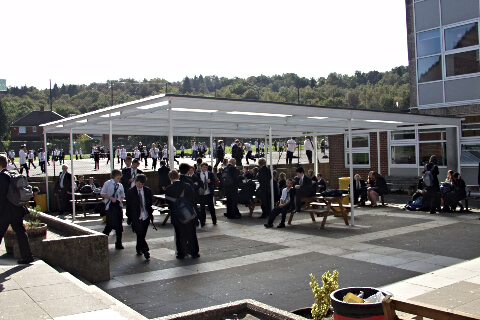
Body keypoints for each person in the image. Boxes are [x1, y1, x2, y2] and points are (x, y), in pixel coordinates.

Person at [0, 155, 34, 264]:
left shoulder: (2, 176)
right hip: (17, 208)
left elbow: (1, 196)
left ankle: (27, 256)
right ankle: (27, 256)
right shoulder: (12, 173)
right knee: (20, 232)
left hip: (6, 211)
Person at [165, 169, 200, 259]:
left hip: (177, 215)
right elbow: (193, 199)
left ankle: (181, 253)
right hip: (189, 214)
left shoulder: (169, 189)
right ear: (179, 176)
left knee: (180, 234)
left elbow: (167, 201)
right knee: (191, 233)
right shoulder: (187, 186)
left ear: (170, 178)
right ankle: (194, 252)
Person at [126, 174, 153, 260]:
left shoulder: (147, 191)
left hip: (145, 215)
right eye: (138, 183)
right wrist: (129, 217)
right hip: (136, 216)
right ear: (136, 182)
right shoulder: (131, 191)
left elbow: (150, 203)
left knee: (142, 234)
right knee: (139, 232)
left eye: (142, 184)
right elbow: (128, 205)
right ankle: (145, 250)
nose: (140, 185)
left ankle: (139, 248)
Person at [101, 169, 125, 249]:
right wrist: (111, 198)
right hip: (110, 206)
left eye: (119, 175)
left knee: (119, 226)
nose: (119, 177)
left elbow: (122, 195)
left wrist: (119, 201)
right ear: (114, 176)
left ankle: (119, 243)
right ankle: (101, 241)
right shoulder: (108, 183)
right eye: (117, 175)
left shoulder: (120, 185)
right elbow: (102, 193)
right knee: (109, 225)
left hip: (117, 206)